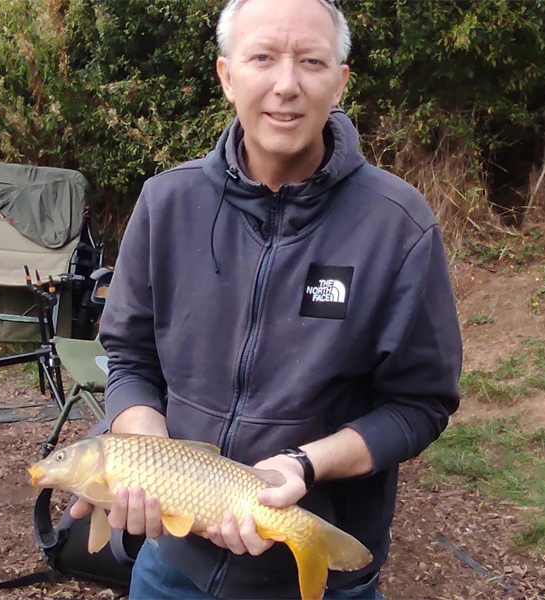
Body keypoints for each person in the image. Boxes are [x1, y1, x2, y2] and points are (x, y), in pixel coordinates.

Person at [71, 0, 463, 597]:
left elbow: (419, 404)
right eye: (262, 58)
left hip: (318, 575)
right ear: (228, 76)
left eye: (311, 61)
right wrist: (147, 455)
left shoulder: (397, 224)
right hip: (171, 568)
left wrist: (304, 465)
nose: (286, 85)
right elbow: (129, 357)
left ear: (340, 82)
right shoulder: (166, 204)